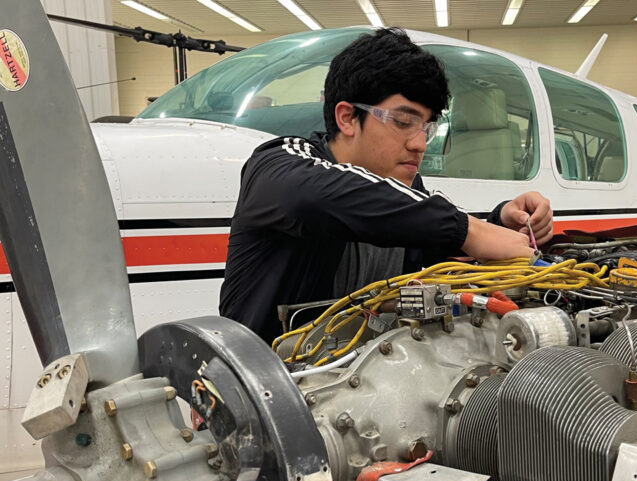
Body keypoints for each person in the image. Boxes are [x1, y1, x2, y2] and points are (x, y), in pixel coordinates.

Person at [220, 28, 553, 343]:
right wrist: (471, 231)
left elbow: (434, 238)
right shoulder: (279, 163)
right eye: (404, 122)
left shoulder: (403, 192)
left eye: (427, 128)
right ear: (347, 118)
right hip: (262, 389)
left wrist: (499, 221)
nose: (420, 144)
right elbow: (309, 198)